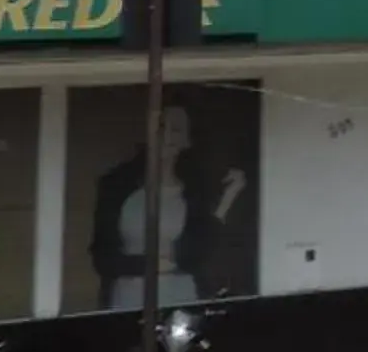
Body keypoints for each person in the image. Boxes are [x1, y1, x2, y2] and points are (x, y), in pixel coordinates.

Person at [88, 102, 249, 308]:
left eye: (176, 130)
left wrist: (227, 199)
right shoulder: (116, 186)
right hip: (127, 300)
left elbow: (197, 253)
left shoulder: (193, 192)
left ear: (186, 140)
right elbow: (102, 257)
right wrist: (151, 265)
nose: (166, 136)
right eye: (161, 126)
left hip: (180, 299)